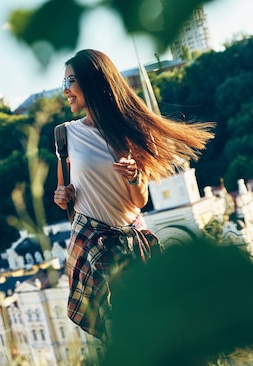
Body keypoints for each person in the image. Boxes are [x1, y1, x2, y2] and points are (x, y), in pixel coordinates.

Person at [53, 49, 215, 342]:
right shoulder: (65, 134)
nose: (65, 90)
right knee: (120, 331)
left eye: (71, 81)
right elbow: (64, 195)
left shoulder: (131, 131)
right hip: (91, 240)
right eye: (63, 82)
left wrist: (135, 175)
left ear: (93, 82)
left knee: (154, 324)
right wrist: (62, 196)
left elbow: (139, 201)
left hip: (129, 241)